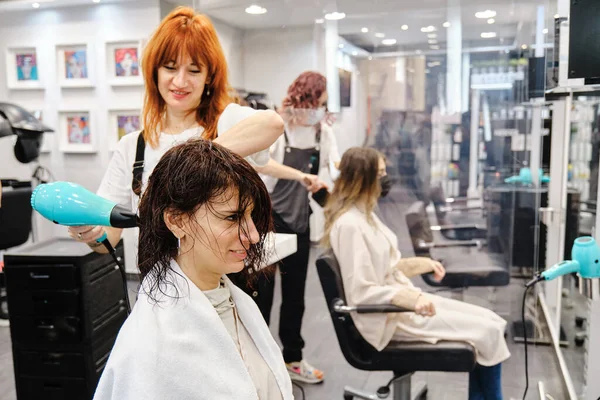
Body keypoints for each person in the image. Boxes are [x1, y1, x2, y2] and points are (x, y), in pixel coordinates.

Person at [67, 7, 284, 254]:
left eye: (193, 70)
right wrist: (92, 235)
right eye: (170, 68)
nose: (180, 82)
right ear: (155, 72)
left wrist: (195, 159)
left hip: (219, 284)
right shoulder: (133, 146)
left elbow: (273, 123)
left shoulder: (226, 123)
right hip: (155, 287)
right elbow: (108, 240)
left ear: (209, 77)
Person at [93, 139, 294, 400]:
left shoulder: (236, 302)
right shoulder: (151, 345)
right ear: (177, 221)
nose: (254, 236)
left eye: (250, 217)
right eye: (232, 217)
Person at [323, 147, 510, 400]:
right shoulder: (350, 225)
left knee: (492, 322)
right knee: (487, 332)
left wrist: (423, 265)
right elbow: (362, 293)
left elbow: (386, 265)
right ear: (363, 178)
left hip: (398, 305)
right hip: (386, 319)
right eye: (380, 174)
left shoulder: (365, 215)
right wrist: (413, 300)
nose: (385, 179)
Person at [251, 71, 339, 384]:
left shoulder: (322, 135)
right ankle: (257, 361)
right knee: (262, 295)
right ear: (306, 98)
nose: (322, 110)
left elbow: (334, 168)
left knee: (295, 295)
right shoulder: (277, 126)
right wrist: (300, 176)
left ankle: (293, 358)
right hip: (267, 221)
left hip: (300, 221)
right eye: (320, 103)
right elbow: (261, 165)